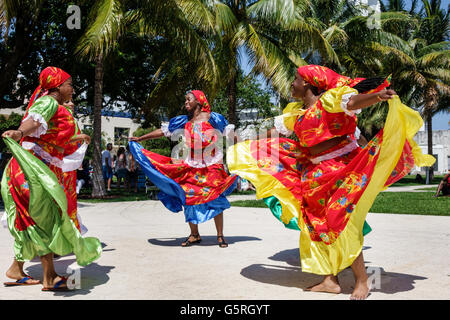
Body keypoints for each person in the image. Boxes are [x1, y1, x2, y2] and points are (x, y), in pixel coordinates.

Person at [227, 65, 435, 299]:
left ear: (306, 83)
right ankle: (330, 280)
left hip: (339, 172)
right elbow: (274, 133)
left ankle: (362, 281)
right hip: (312, 175)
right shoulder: (296, 112)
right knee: (317, 226)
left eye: (295, 79)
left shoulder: (329, 101)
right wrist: (243, 139)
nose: (292, 84)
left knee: (340, 223)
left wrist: (377, 96)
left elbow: (352, 102)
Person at [1, 66, 102, 291]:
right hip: (30, 169)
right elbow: (34, 123)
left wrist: (78, 136)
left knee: (33, 218)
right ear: (57, 87)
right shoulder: (48, 102)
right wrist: (20, 132)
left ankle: (16, 270)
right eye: (69, 84)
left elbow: (49, 135)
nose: (73, 89)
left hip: (32, 168)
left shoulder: (55, 106)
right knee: (45, 217)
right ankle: (50, 277)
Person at [129, 90, 237, 248]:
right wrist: (140, 138)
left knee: (215, 197)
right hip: (191, 165)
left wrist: (247, 143)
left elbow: (229, 134)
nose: (185, 103)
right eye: (185, 100)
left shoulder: (214, 118)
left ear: (198, 101)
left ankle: (220, 235)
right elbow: (163, 132)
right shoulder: (183, 121)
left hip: (212, 164)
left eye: (188, 100)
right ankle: (194, 235)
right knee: (189, 197)